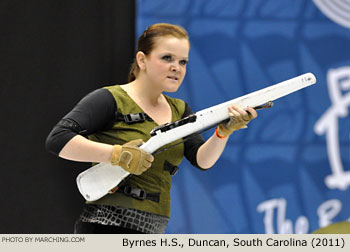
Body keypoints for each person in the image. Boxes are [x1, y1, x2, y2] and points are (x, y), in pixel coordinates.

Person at [45, 23, 257, 234]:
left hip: (153, 230)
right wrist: (117, 154)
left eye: (183, 62)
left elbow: (201, 160)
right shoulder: (110, 99)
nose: (177, 67)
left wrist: (224, 132)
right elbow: (58, 139)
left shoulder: (180, 110)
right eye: (167, 58)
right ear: (142, 60)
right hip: (105, 227)